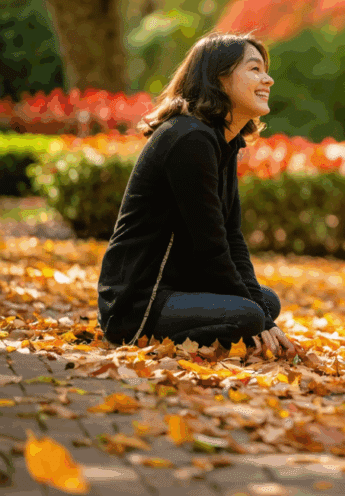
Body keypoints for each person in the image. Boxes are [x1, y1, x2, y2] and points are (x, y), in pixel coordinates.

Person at [97, 31, 297, 359]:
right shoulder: (189, 139)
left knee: (266, 302)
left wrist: (262, 313)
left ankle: (240, 329)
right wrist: (258, 318)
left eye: (265, 70)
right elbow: (210, 246)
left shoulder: (223, 143)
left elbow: (232, 238)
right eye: (254, 69)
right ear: (219, 79)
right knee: (250, 315)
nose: (268, 80)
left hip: (180, 288)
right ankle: (198, 338)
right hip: (139, 302)